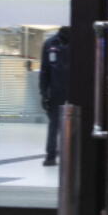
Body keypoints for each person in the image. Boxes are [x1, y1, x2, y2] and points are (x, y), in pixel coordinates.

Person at [39, 26, 70, 166]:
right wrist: (44, 93)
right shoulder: (50, 44)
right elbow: (44, 71)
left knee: (74, 125)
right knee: (54, 125)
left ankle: (71, 154)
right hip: (55, 92)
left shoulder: (80, 43)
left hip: (75, 92)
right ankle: (50, 156)